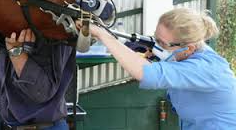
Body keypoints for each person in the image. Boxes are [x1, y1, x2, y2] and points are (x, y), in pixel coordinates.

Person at [89, 8, 236, 130]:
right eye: (155, 38)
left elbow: (146, 74)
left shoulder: (206, 68)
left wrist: (103, 35)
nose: (157, 46)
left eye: (162, 43)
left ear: (189, 48)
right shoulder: (187, 53)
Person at [0, 28, 76, 130]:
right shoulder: (8, 27)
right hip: (7, 123)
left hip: (44, 126)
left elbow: (41, 91)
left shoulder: (52, 29)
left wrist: (15, 51)